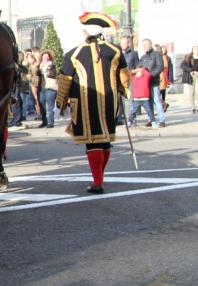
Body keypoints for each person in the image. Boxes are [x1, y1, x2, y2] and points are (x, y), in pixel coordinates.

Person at [56, 12, 129, 194]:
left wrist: (61, 101)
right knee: (104, 141)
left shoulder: (74, 53)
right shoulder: (115, 50)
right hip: (110, 101)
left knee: (93, 141)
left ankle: (98, 182)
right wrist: (125, 91)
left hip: (85, 102)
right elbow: (124, 76)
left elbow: (65, 80)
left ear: (87, 32)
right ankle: (100, 176)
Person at [138, 38, 166, 127]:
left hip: (153, 81)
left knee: (157, 100)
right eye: (144, 45)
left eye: (146, 44)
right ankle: (151, 119)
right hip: (145, 83)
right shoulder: (143, 57)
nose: (145, 46)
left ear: (150, 44)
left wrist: (151, 75)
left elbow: (160, 66)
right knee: (148, 102)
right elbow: (139, 67)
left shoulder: (156, 54)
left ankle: (161, 120)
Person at [180, 45, 198, 114]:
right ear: (192, 51)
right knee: (191, 92)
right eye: (195, 49)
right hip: (191, 75)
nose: (196, 51)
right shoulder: (188, 57)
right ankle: (193, 107)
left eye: (197, 49)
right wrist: (190, 70)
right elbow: (182, 65)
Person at [37, 51, 58, 128]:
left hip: (50, 87)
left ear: (49, 57)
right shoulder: (40, 65)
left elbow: (53, 74)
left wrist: (48, 68)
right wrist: (40, 68)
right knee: (42, 104)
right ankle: (44, 121)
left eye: (46, 56)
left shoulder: (52, 65)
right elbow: (37, 74)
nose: (45, 58)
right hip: (42, 87)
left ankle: (50, 122)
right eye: (43, 57)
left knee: (50, 106)